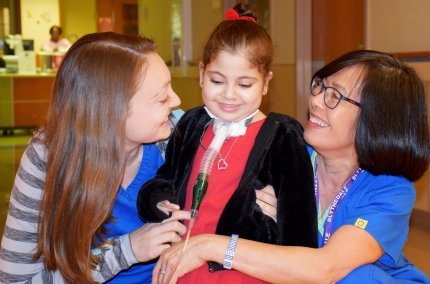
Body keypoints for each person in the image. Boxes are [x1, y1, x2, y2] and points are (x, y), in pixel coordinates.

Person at [152, 49, 430, 283]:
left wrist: (209, 245)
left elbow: (327, 269)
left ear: (376, 120)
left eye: (335, 96)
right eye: (320, 86)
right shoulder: (285, 154)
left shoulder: (390, 190)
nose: (316, 101)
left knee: (356, 276)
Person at [137, 3, 318, 283]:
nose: (229, 95)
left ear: (266, 83)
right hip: (180, 267)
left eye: (245, 84)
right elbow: (164, 179)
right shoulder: (192, 123)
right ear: (201, 73)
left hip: (243, 273)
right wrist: (160, 201)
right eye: (217, 80)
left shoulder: (282, 136)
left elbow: (299, 235)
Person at [0, 32, 191, 283]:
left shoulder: (182, 133)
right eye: (162, 97)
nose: (176, 101)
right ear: (112, 110)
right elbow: (16, 280)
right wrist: (126, 251)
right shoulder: (47, 158)